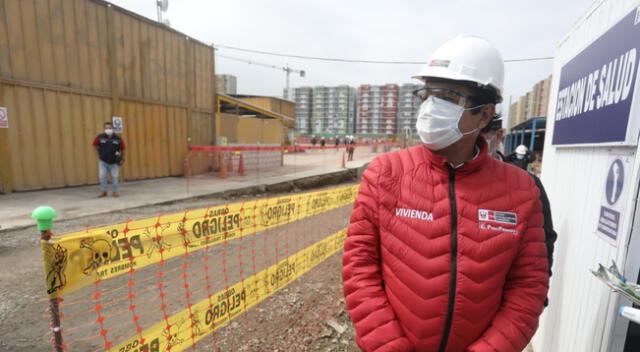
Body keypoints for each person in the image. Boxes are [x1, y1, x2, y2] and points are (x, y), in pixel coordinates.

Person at [343, 36, 549, 352]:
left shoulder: (520, 190)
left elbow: (528, 286)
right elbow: (359, 268)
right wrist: (388, 346)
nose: (431, 106)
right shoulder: (385, 173)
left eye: (448, 96)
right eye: (428, 94)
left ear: (484, 114)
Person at [480, 118, 558, 305]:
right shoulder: (449, 182)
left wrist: (533, 300)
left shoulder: (525, 185)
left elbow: (544, 242)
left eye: (479, 135)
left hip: (503, 306)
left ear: (498, 136)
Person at [92, 122, 125, 197]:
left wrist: (122, 158)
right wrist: (98, 154)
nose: (108, 129)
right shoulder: (100, 137)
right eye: (106, 128)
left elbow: (123, 149)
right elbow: (94, 145)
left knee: (114, 176)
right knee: (102, 176)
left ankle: (115, 192)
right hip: (103, 161)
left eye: (110, 128)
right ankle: (104, 191)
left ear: (113, 128)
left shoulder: (118, 138)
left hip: (114, 162)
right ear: (104, 129)